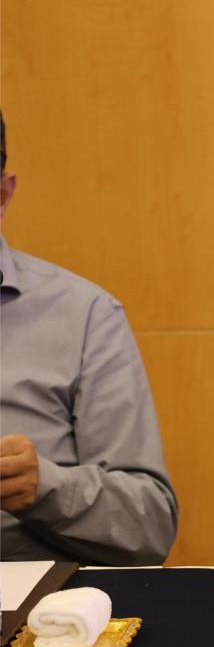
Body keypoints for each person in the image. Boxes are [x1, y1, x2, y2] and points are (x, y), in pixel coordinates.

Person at [0, 111, 178, 564]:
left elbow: (150, 526)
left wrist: (43, 487)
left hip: (33, 597)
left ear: (3, 194)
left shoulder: (83, 315)